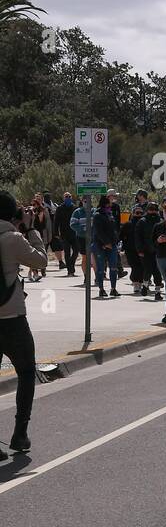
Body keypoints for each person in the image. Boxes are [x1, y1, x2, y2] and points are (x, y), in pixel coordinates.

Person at [0, 191, 47, 461]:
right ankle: (19, 433)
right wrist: (31, 230)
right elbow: (40, 261)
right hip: (13, 318)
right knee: (27, 372)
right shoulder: (13, 239)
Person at [92, 194, 121, 298]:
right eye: (109, 203)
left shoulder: (110, 214)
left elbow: (114, 229)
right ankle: (101, 289)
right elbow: (99, 232)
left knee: (113, 267)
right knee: (100, 268)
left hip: (112, 245)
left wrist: (115, 241)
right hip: (100, 245)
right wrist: (105, 243)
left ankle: (113, 288)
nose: (110, 205)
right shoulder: (97, 215)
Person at [135, 201, 163, 301]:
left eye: (154, 209)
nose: (152, 211)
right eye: (151, 209)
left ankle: (157, 292)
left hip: (158, 251)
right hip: (146, 251)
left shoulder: (160, 221)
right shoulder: (142, 221)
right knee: (148, 270)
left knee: (157, 272)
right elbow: (138, 237)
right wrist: (140, 250)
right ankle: (145, 286)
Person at [54, 192, 77, 275]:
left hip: (74, 233)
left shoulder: (74, 207)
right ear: (63, 198)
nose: (68, 198)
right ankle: (70, 270)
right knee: (67, 252)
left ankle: (71, 264)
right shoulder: (60, 208)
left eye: (69, 196)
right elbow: (56, 221)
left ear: (71, 197)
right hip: (64, 234)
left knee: (76, 251)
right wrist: (56, 232)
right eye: (66, 196)